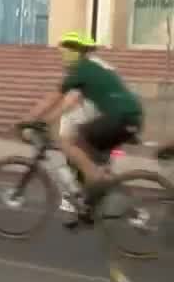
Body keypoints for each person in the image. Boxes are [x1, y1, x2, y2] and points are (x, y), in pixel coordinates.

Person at [24, 32, 144, 223]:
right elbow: (70, 101)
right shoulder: (96, 66)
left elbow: (59, 98)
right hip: (129, 117)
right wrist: (47, 120)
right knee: (94, 163)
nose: (62, 57)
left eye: (65, 52)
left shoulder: (82, 69)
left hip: (117, 118)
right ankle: (117, 209)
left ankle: (93, 191)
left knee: (73, 143)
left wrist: (31, 120)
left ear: (74, 53)